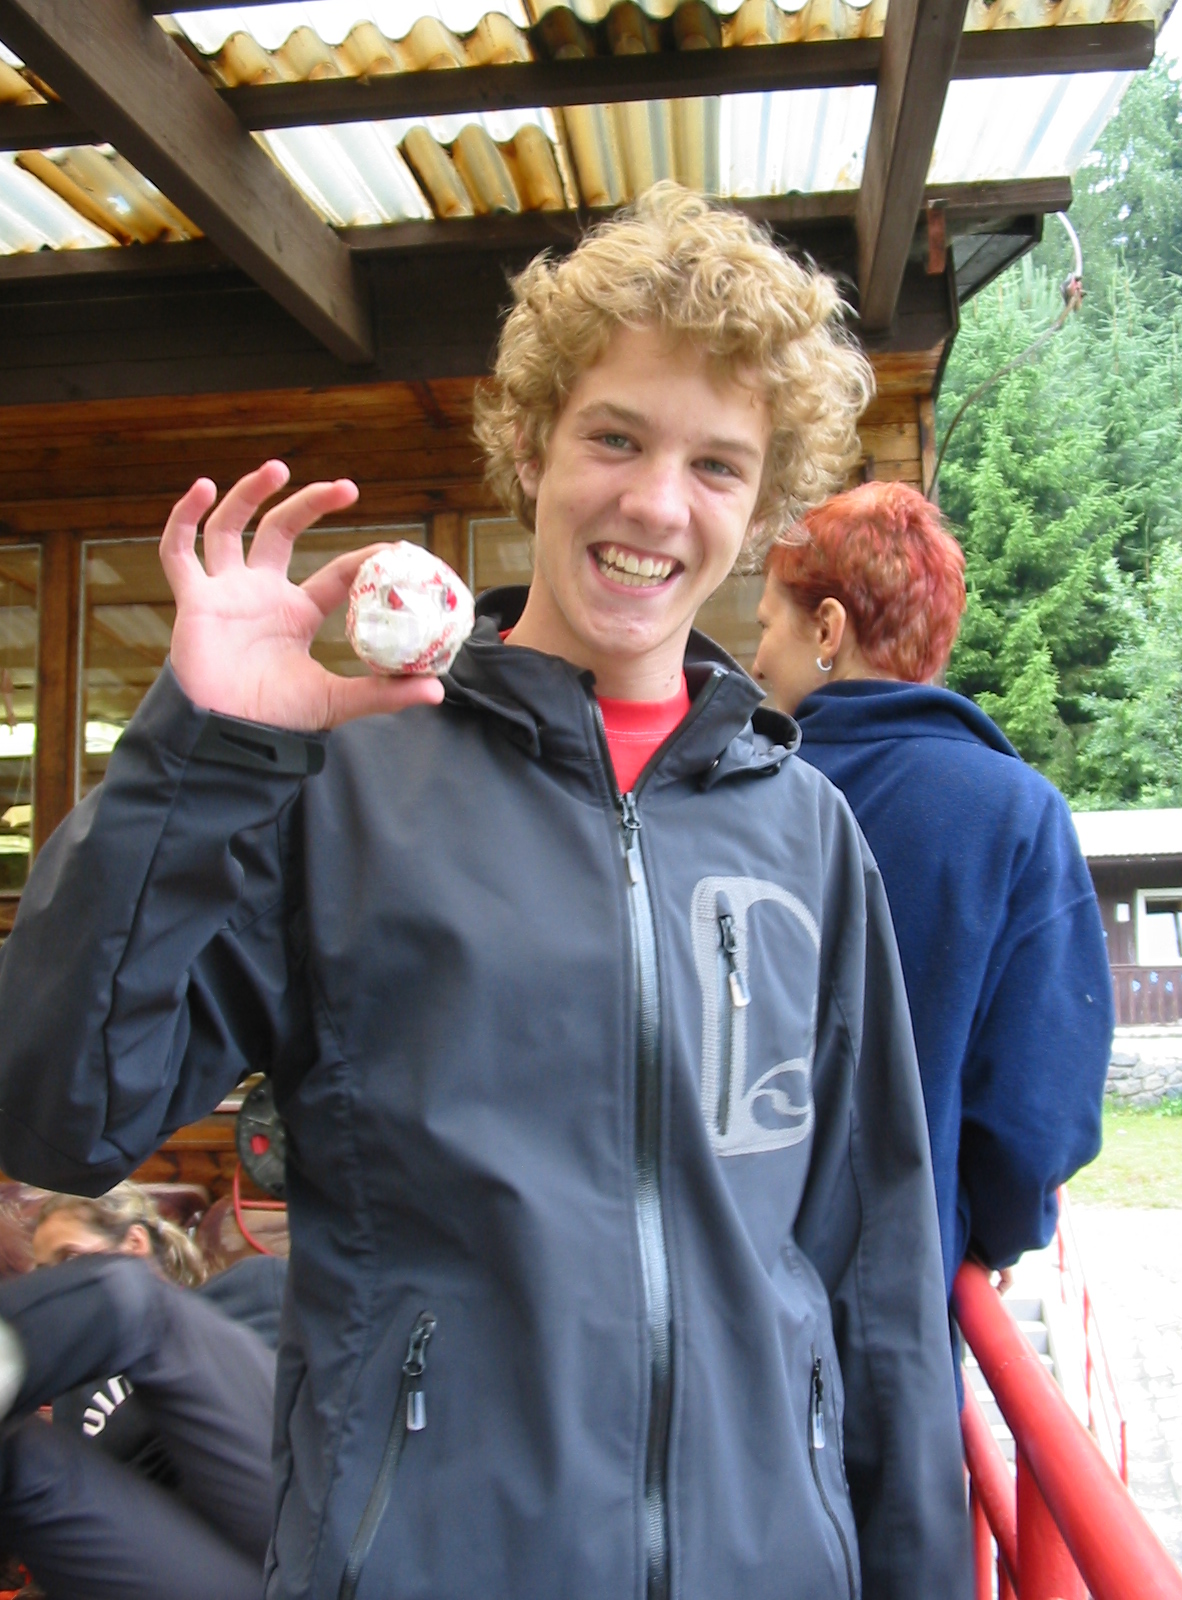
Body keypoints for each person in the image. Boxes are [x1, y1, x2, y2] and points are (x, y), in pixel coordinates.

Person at [0, 186, 972, 1600]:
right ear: (531, 444)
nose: (657, 503)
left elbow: (877, 1278)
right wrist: (200, 752)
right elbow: (58, 1109)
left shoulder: (807, 834)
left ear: (761, 507)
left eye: (716, 464)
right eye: (616, 438)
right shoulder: (350, 786)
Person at [752, 478, 1113, 1312]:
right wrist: (988, 1231)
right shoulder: (1018, 813)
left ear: (828, 629)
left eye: (767, 624)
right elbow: (1038, 1112)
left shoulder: (735, 799)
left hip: (726, 1324)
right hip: (897, 1321)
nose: (758, 658)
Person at [0, 1183, 278, 1600]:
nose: (54, 1284)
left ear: (135, 1243)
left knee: (140, 1301)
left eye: (69, 1260)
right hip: (185, 1571)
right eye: (43, 1273)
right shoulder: (75, 1390)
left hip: (299, 1540)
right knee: (13, 1453)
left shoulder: (247, 1291)